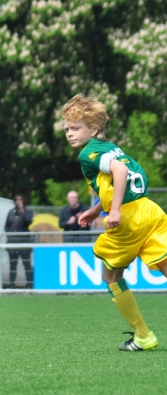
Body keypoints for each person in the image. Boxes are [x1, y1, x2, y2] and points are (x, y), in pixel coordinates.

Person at [64, 93, 163, 351]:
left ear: (94, 130)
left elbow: (118, 171)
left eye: (76, 128)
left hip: (129, 218)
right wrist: (98, 209)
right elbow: (123, 175)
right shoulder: (112, 148)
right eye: (67, 128)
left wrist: (114, 211)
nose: (70, 133)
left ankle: (143, 336)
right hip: (150, 210)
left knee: (110, 275)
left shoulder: (88, 154)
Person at [4, 194, 34, 289]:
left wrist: (23, 210)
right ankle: (12, 285)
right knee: (13, 265)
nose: (18, 201)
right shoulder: (11, 212)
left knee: (26, 264)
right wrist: (8, 233)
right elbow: (6, 225)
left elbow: (29, 221)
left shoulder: (28, 212)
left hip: (23, 241)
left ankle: (29, 284)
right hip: (13, 242)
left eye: (20, 199)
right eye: (17, 200)